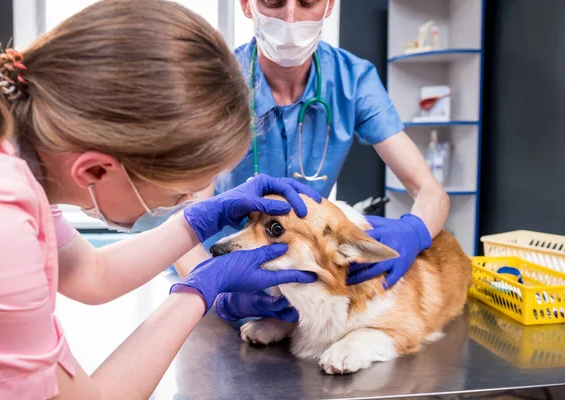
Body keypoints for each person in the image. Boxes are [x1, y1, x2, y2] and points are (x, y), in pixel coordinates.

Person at [0, 1, 320, 398]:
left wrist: (198, 221)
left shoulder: (17, 151)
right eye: (178, 193)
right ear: (96, 170)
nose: (186, 199)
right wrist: (202, 287)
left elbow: (90, 274)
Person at [172, 0, 450, 323]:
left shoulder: (352, 81)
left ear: (330, 4)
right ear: (247, 5)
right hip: (208, 270)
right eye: (273, 1)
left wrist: (414, 232)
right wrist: (217, 294)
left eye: (307, 2)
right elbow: (184, 217)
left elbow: (432, 193)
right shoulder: (216, 84)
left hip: (299, 289)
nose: (291, 18)